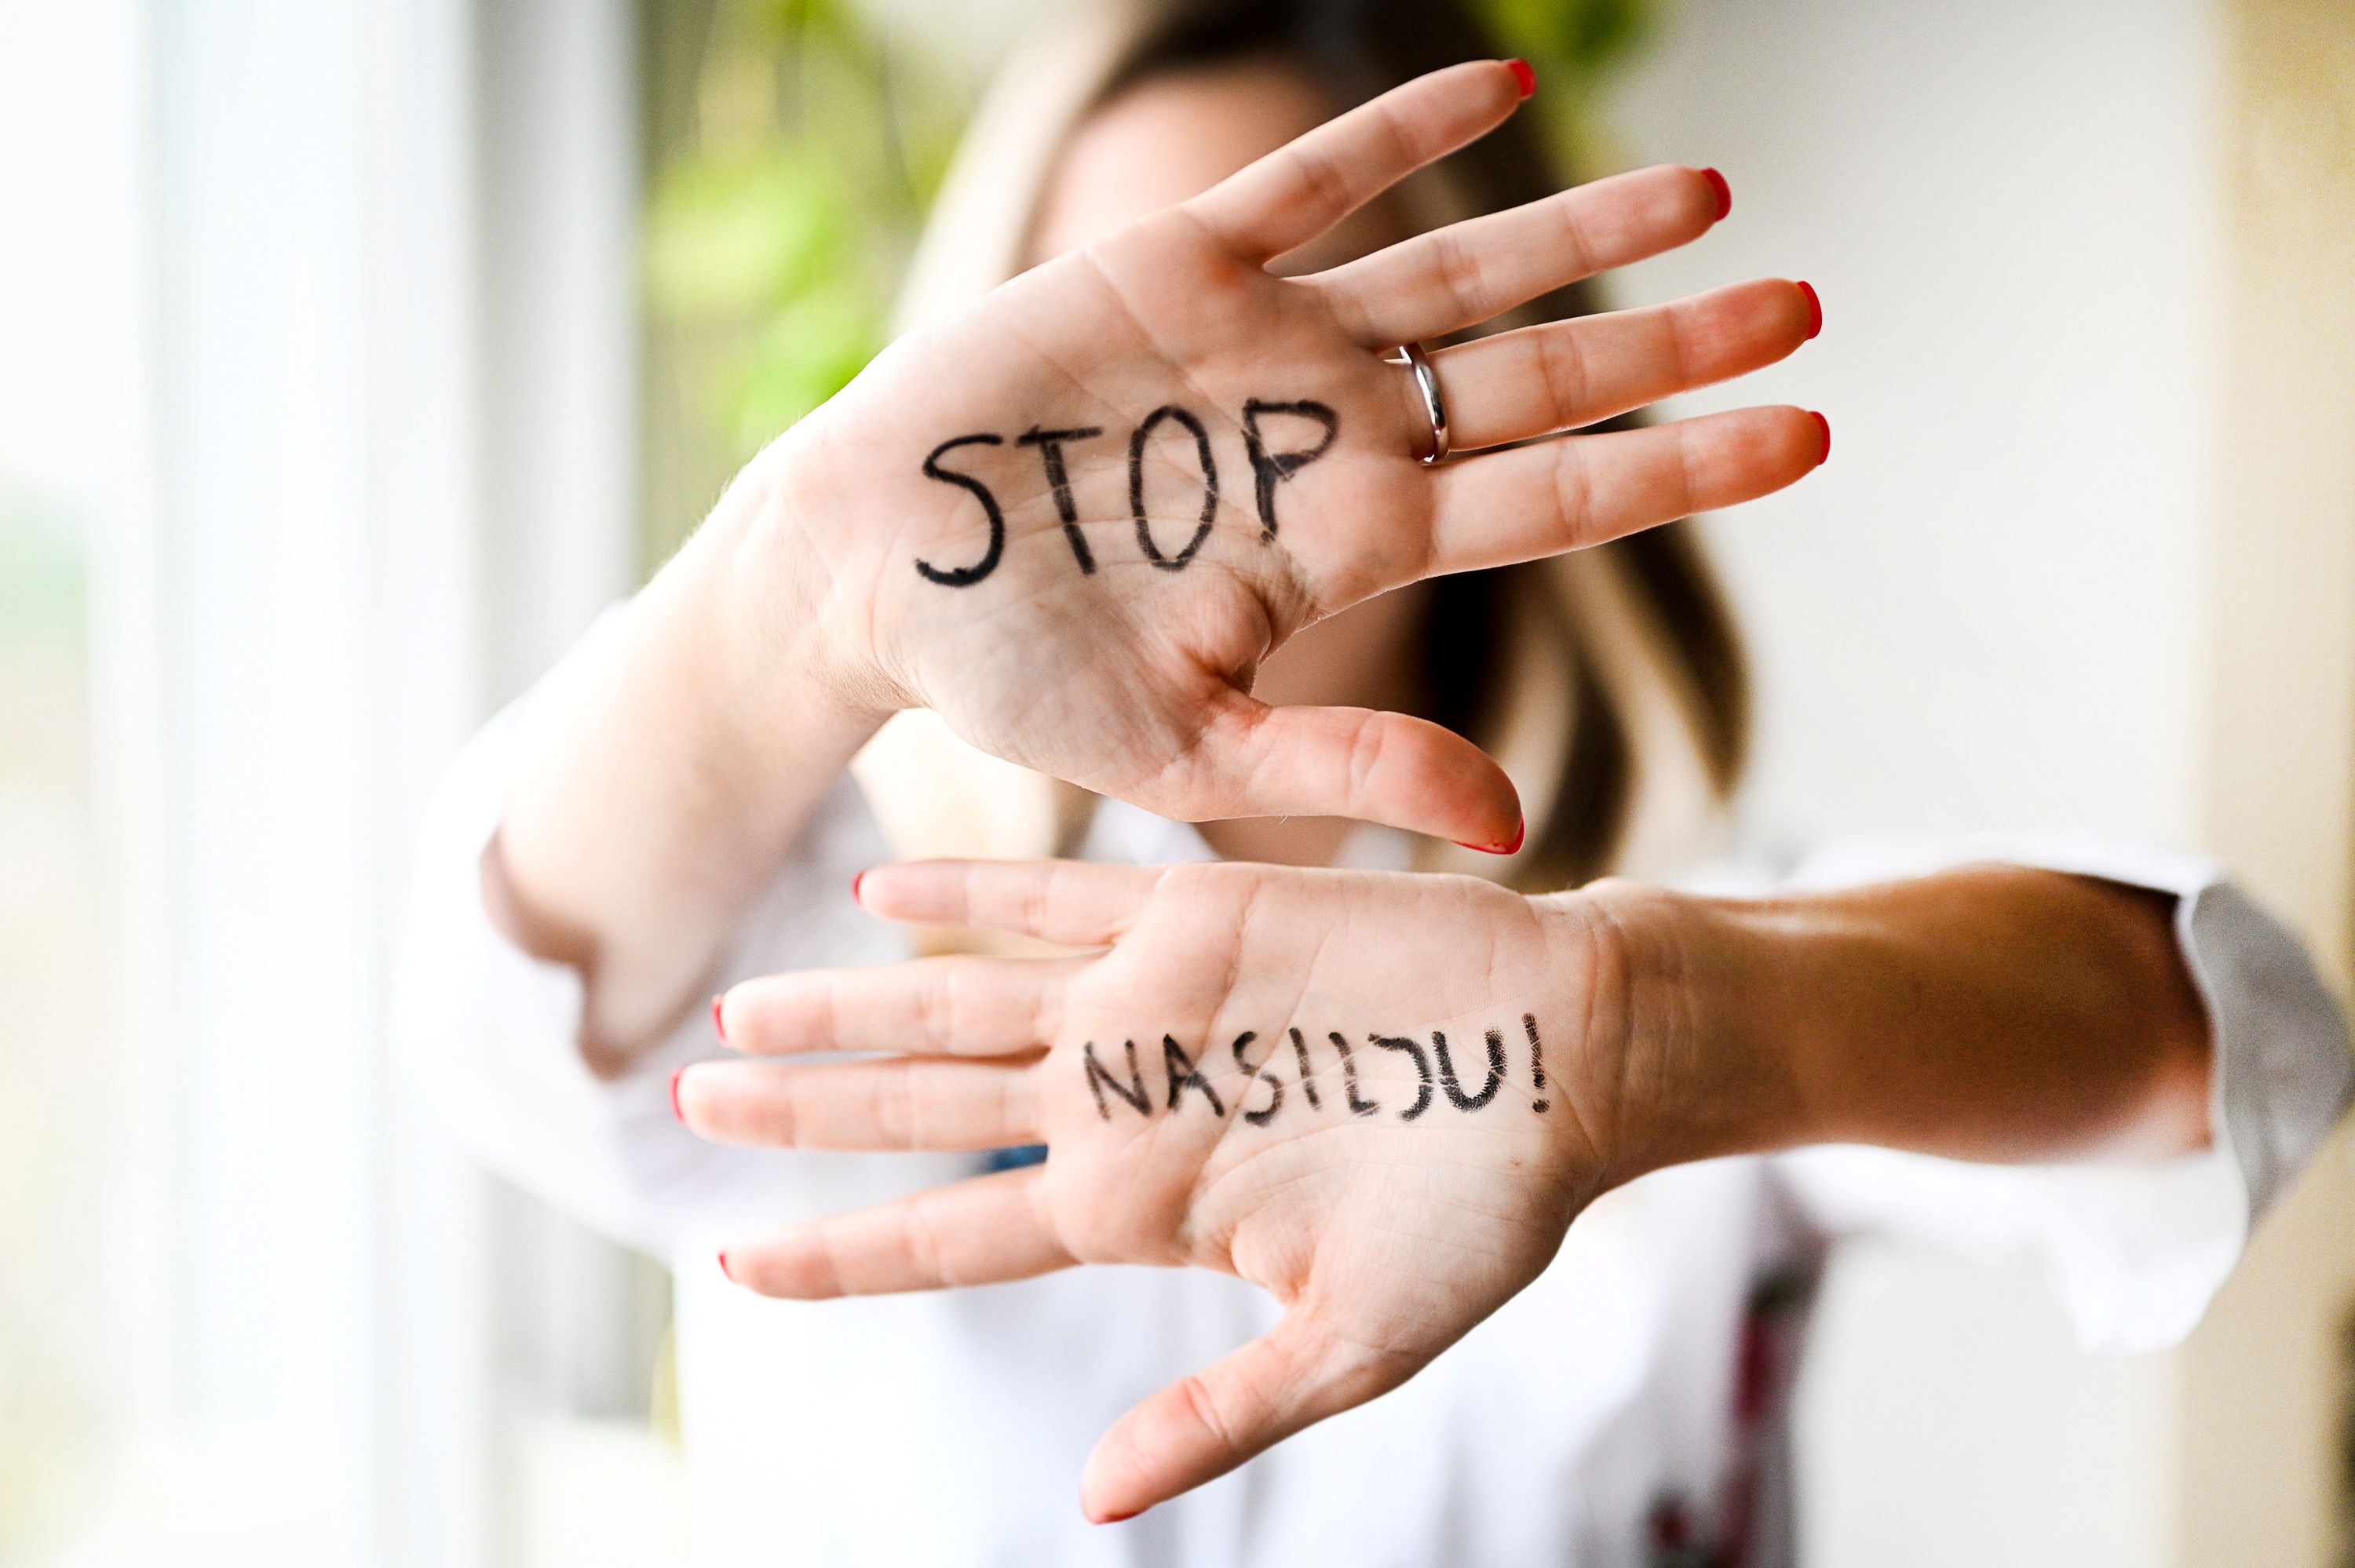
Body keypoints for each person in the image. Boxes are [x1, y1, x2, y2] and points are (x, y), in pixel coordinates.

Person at [394, 4, 2350, 1563]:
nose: (1173, 460)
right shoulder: (827, 954)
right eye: (1090, 354)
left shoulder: (1680, 936)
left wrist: (1652, 1030)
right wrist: (802, 581)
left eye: (1292, 353)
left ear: (1474, 405)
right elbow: (495, 1012)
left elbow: (2236, 1039)